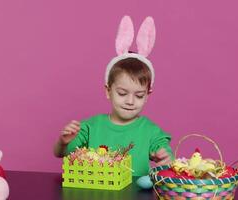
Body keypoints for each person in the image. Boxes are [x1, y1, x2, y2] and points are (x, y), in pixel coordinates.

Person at [53, 16, 173, 176]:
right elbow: (60, 153)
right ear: (108, 91)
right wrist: (63, 142)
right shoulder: (90, 127)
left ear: (147, 95)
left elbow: (168, 156)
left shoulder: (151, 132)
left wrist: (167, 159)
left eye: (138, 95)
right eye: (122, 93)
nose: (130, 101)